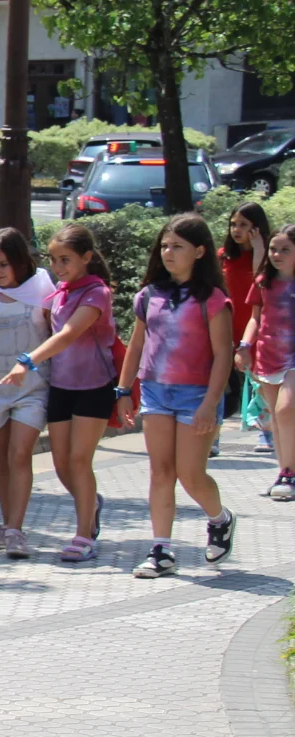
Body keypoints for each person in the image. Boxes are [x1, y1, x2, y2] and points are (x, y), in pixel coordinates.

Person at [117, 214, 238, 578]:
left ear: (199, 252)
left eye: (178, 246)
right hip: (155, 392)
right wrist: (123, 390)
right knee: (161, 471)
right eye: (165, 246)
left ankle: (220, 518)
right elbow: (136, 345)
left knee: (190, 474)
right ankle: (161, 550)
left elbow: (224, 355)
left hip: (197, 395)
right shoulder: (149, 296)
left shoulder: (213, 299)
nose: (168, 253)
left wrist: (209, 403)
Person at [0, 225, 118, 564]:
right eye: (53, 259)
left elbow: (67, 334)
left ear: (86, 257)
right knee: (61, 462)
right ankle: (90, 503)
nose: (58, 266)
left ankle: (84, 535)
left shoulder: (97, 292)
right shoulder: (60, 292)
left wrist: (26, 362)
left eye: (66, 259)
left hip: (94, 386)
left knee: (79, 460)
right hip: (61, 386)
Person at [0, 229, 57, 558]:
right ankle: (6, 525)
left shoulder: (44, 292)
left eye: (4, 264)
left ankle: (17, 530)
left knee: (20, 454)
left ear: (19, 261)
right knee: (3, 457)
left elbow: (58, 338)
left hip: (33, 387)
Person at [241, 224, 295, 501]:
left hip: (293, 359)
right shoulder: (264, 282)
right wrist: (244, 346)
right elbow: (255, 318)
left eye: (285, 249)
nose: (277, 254)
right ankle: (285, 472)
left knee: (286, 410)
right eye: (273, 249)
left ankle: (289, 472)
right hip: (269, 356)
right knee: (275, 417)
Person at [222, 203, 271, 452]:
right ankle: (212, 438)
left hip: (257, 327)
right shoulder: (223, 257)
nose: (236, 229)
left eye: (243, 225)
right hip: (227, 328)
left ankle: (267, 433)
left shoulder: (271, 255)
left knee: (261, 382)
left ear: (257, 227)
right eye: (233, 224)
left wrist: (259, 249)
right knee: (219, 380)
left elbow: (262, 284)